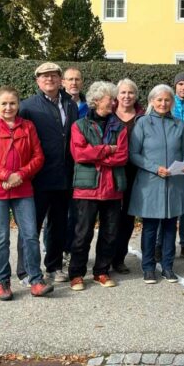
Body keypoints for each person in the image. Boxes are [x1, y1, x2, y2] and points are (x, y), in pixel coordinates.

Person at [0, 86, 50, 300]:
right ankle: (2, 281)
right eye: (4, 103)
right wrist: (6, 175)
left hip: (23, 187)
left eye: (13, 103)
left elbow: (38, 157)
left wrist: (20, 175)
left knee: (30, 236)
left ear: (19, 105)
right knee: (1, 237)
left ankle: (35, 280)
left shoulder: (28, 126)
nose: (9, 107)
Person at [17, 62, 78, 286]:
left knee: (59, 225)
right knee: (30, 226)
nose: (49, 79)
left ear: (61, 79)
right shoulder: (28, 106)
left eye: (53, 75)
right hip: (38, 178)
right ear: (37, 81)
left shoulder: (70, 105)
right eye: (44, 76)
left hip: (64, 177)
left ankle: (53, 266)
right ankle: (25, 271)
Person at [129, 84, 184, 284]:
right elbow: (134, 154)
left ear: (172, 102)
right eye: (159, 100)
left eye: (167, 100)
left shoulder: (178, 124)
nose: (163, 103)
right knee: (149, 228)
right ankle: (148, 267)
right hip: (150, 183)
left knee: (169, 227)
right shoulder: (142, 123)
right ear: (151, 102)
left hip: (174, 183)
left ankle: (167, 266)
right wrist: (155, 167)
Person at [68, 81, 129, 290]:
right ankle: (76, 274)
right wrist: (106, 149)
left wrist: (96, 154)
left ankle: (101, 271)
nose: (114, 102)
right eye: (110, 99)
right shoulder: (79, 125)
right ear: (96, 101)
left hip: (112, 189)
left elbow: (121, 157)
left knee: (110, 233)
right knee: (82, 234)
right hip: (86, 189)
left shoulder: (120, 127)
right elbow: (79, 154)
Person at [156, 72, 184, 261]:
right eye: (180, 84)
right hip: (165, 164)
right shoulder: (168, 105)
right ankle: (159, 244)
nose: (183, 87)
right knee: (163, 206)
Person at [110, 79, 142, 274]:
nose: (127, 96)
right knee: (109, 216)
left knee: (127, 218)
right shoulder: (109, 115)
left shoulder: (142, 117)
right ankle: (106, 256)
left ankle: (119, 257)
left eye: (131, 93)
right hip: (111, 172)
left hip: (134, 172)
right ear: (117, 95)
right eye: (123, 92)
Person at [60, 67, 87, 264]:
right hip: (60, 166)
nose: (73, 83)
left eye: (77, 79)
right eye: (69, 79)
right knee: (58, 213)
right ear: (63, 82)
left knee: (76, 213)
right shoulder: (57, 105)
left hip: (82, 167)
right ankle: (55, 252)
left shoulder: (88, 108)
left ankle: (69, 251)